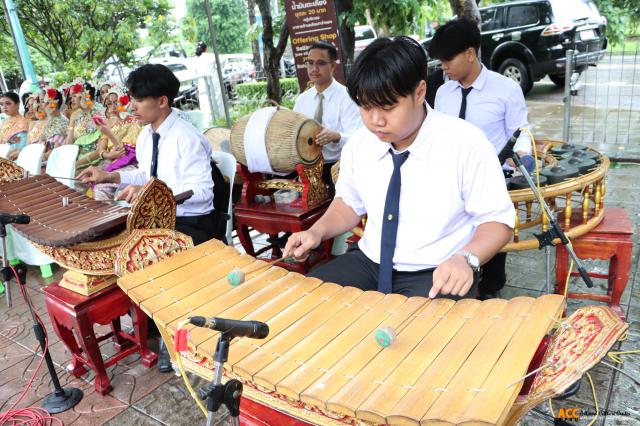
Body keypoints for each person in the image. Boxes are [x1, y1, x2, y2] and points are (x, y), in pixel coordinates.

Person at [283, 36, 515, 300]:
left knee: (421, 337)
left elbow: (497, 221)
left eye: (387, 107)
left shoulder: (465, 143)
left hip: (437, 270)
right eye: (365, 107)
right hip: (369, 263)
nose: (375, 121)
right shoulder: (360, 144)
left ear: (419, 92)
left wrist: (466, 259)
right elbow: (348, 203)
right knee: (305, 300)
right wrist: (316, 232)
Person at [429, 18, 532, 300]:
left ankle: (492, 289)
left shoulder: (505, 89)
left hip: (491, 179)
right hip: (451, 179)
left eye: (448, 59)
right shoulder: (442, 92)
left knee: (491, 236)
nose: (443, 67)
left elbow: (521, 130)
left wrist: (522, 152)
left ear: (470, 54)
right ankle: (456, 281)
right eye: (441, 60)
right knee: (455, 233)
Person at [293, 41, 362, 196]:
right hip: (308, 169)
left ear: (333, 66)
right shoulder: (302, 100)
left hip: (339, 168)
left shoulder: (347, 98)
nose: (314, 69)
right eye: (310, 63)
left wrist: (337, 136)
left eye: (321, 63)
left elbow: (359, 137)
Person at [92, 87, 142, 200]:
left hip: (129, 162)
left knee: (101, 187)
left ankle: (110, 216)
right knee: (88, 179)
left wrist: (109, 134)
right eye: (109, 104)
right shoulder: (106, 123)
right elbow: (100, 150)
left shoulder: (133, 120)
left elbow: (127, 152)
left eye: (116, 102)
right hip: (110, 160)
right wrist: (109, 155)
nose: (113, 107)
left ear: (124, 102)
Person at [65, 82, 103, 171]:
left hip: (94, 161)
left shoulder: (95, 112)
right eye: (71, 96)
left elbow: (101, 146)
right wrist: (71, 122)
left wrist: (77, 164)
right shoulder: (74, 115)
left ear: (83, 95)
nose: (71, 99)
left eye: (74, 96)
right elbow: (69, 144)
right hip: (76, 158)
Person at [0, 92, 30, 161]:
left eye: (8, 103)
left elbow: (21, 145)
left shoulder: (23, 121)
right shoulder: (4, 122)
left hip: (17, 158)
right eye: (1, 104)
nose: (4, 107)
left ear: (17, 104)